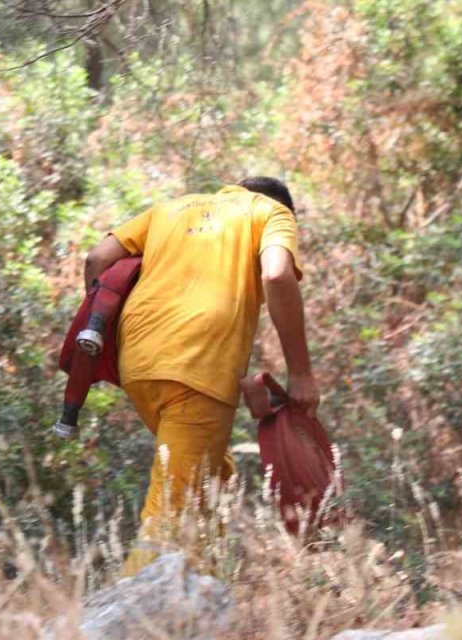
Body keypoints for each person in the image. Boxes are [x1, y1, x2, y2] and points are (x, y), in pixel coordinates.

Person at [82, 177, 318, 571]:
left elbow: (96, 259)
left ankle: (207, 584)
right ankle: (132, 599)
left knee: (212, 477)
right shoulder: (270, 212)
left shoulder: (168, 209)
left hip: (137, 359)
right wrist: (301, 373)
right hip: (198, 363)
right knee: (170, 514)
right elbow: (277, 275)